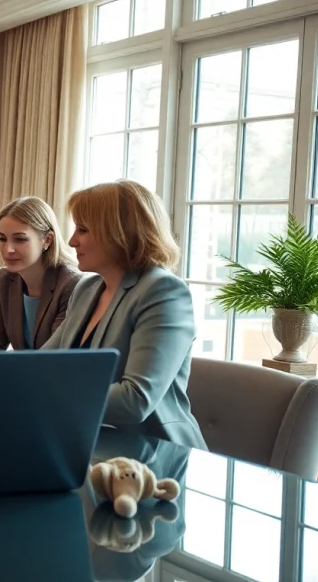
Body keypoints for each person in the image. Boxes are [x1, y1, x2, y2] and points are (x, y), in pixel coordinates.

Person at [41, 180, 206, 449]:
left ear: (119, 233)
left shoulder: (163, 292)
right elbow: (41, 366)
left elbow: (135, 400)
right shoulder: (86, 289)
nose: (71, 241)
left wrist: (49, 394)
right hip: (87, 441)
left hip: (154, 452)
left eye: (83, 229)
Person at [0, 196, 81, 351]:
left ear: (47, 240)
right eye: (2, 239)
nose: (8, 249)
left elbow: (55, 355)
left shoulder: (70, 283)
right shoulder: (4, 279)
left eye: (20, 239)